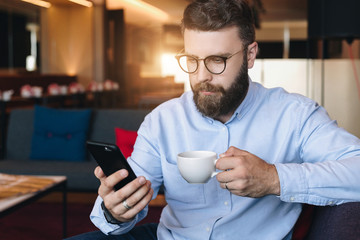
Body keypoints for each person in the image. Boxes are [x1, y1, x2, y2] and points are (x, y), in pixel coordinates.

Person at [67, 0, 360, 239]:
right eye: (192, 61)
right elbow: (121, 206)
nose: (201, 76)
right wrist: (116, 210)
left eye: (217, 60)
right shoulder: (163, 121)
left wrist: (273, 178)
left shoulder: (295, 115)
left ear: (250, 55)